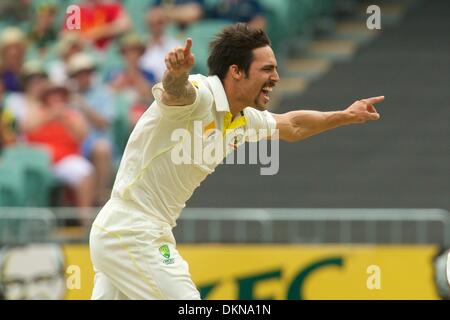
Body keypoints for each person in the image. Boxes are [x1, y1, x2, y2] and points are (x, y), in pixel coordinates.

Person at [89, 23, 384, 299]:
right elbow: (176, 93)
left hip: (126, 231)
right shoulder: (202, 94)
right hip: (133, 230)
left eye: (276, 69)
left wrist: (345, 116)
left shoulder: (243, 119)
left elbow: (292, 126)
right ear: (236, 72)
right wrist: (176, 74)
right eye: (267, 69)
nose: (276, 78)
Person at [67, 52, 115, 205]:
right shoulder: (66, 96)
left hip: (94, 143)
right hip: (73, 145)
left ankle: (100, 199)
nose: (83, 77)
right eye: (79, 74)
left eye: (87, 73)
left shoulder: (103, 93)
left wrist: (83, 106)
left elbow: (103, 123)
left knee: (102, 148)